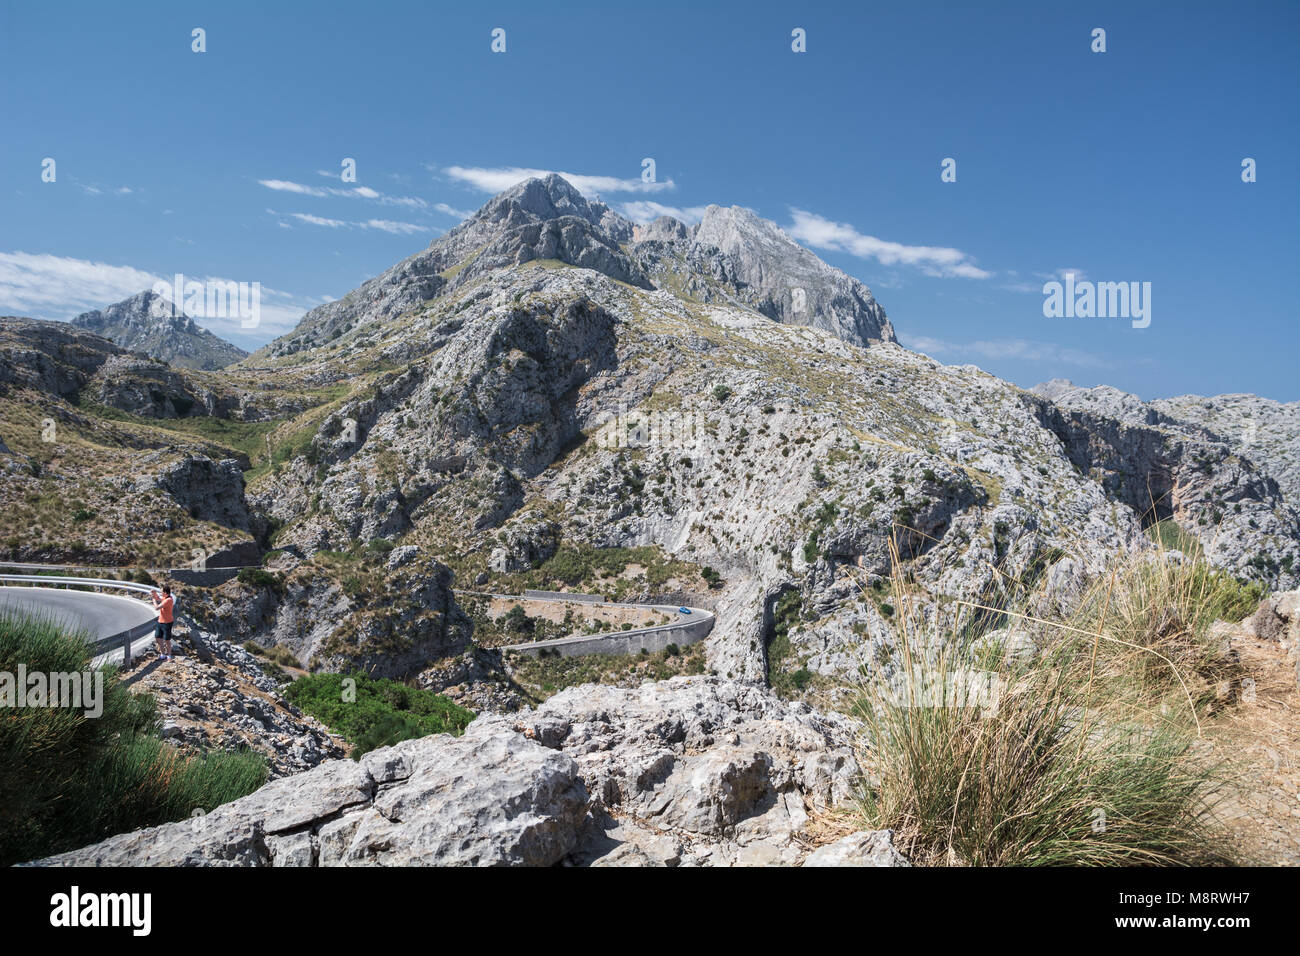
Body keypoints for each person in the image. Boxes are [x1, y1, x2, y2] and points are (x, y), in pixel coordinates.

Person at [151, 585, 175, 661]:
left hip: (167, 622)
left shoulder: (169, 600)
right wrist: (154, 594)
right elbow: (158, 598)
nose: (160, 593)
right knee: (158, 637)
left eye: (161, 592)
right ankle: (163, 654)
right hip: (160, 621)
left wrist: (153, 600)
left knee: (167, 640)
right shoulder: (165, 598)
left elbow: (157, 607)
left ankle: (169, 655)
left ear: (165, 592)